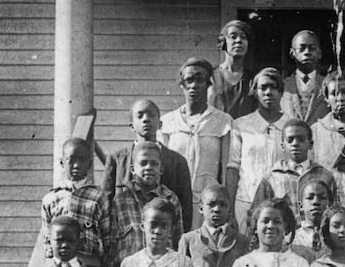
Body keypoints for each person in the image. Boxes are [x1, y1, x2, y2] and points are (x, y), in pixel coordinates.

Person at [102, 98, 194, 234]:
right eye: (140, 116)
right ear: (132, 125)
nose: (146, 119)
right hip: (126, 239)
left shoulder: (177, 161)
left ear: (160, 124)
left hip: (163, 239)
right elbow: (106, 204)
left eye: (151, 115)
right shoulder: (117, 159)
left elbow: (185, 209)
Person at [160, 57, 233, 210]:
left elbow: (226, 168)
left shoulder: (223, 121)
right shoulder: (167, 122)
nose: (193, 85)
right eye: (189, 80)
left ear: (208, 84)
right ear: (182, 85)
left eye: (200, 80)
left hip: (208, 201)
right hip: (174, 198)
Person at [41, 137, 116, 267]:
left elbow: (108, 239)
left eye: (82, 160)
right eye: (71, 160)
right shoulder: (51, 199)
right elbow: (47, 241)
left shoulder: (98, 196)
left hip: (90, 265)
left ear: (89, 164)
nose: (76, 165)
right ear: (62, 162)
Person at [111, 140, 185, 267]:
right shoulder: (120, 201)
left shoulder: (170, 199)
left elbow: (178, 240)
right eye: (143, 163)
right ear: (133, 169)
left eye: (154, 163)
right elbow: (111, 245)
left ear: (161, 169)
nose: (149, 167)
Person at [229, 68, 289, 226]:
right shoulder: (241, 125)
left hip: (282, 204)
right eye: (263, 87)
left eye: (274, 87)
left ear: (281, 92)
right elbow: (232, 168)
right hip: (246, 202)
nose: (269, 92)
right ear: (255, 92)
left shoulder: (291, 127)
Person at [254, 120, 337, 230]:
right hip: (282, 238)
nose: (295, 144)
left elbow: (335, 212)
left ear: (310, 144)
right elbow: (256, 214)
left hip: (317, 237)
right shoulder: (272, 178)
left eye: (301, 139)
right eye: (290, 140)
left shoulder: (325, 176)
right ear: (283, 146)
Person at [209, 19, 257, 119]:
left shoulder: (254, 79)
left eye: (243, 37)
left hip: (245, 133)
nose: (239, 40)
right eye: (233, 37)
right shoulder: (209, 75)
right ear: (223, 42)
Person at [282, 29, 330, 125]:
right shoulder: (282, 86)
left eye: (312, 48)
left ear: (319, 53)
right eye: (302, 48)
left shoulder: (329, 85)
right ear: (292, 53)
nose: (307, 52)